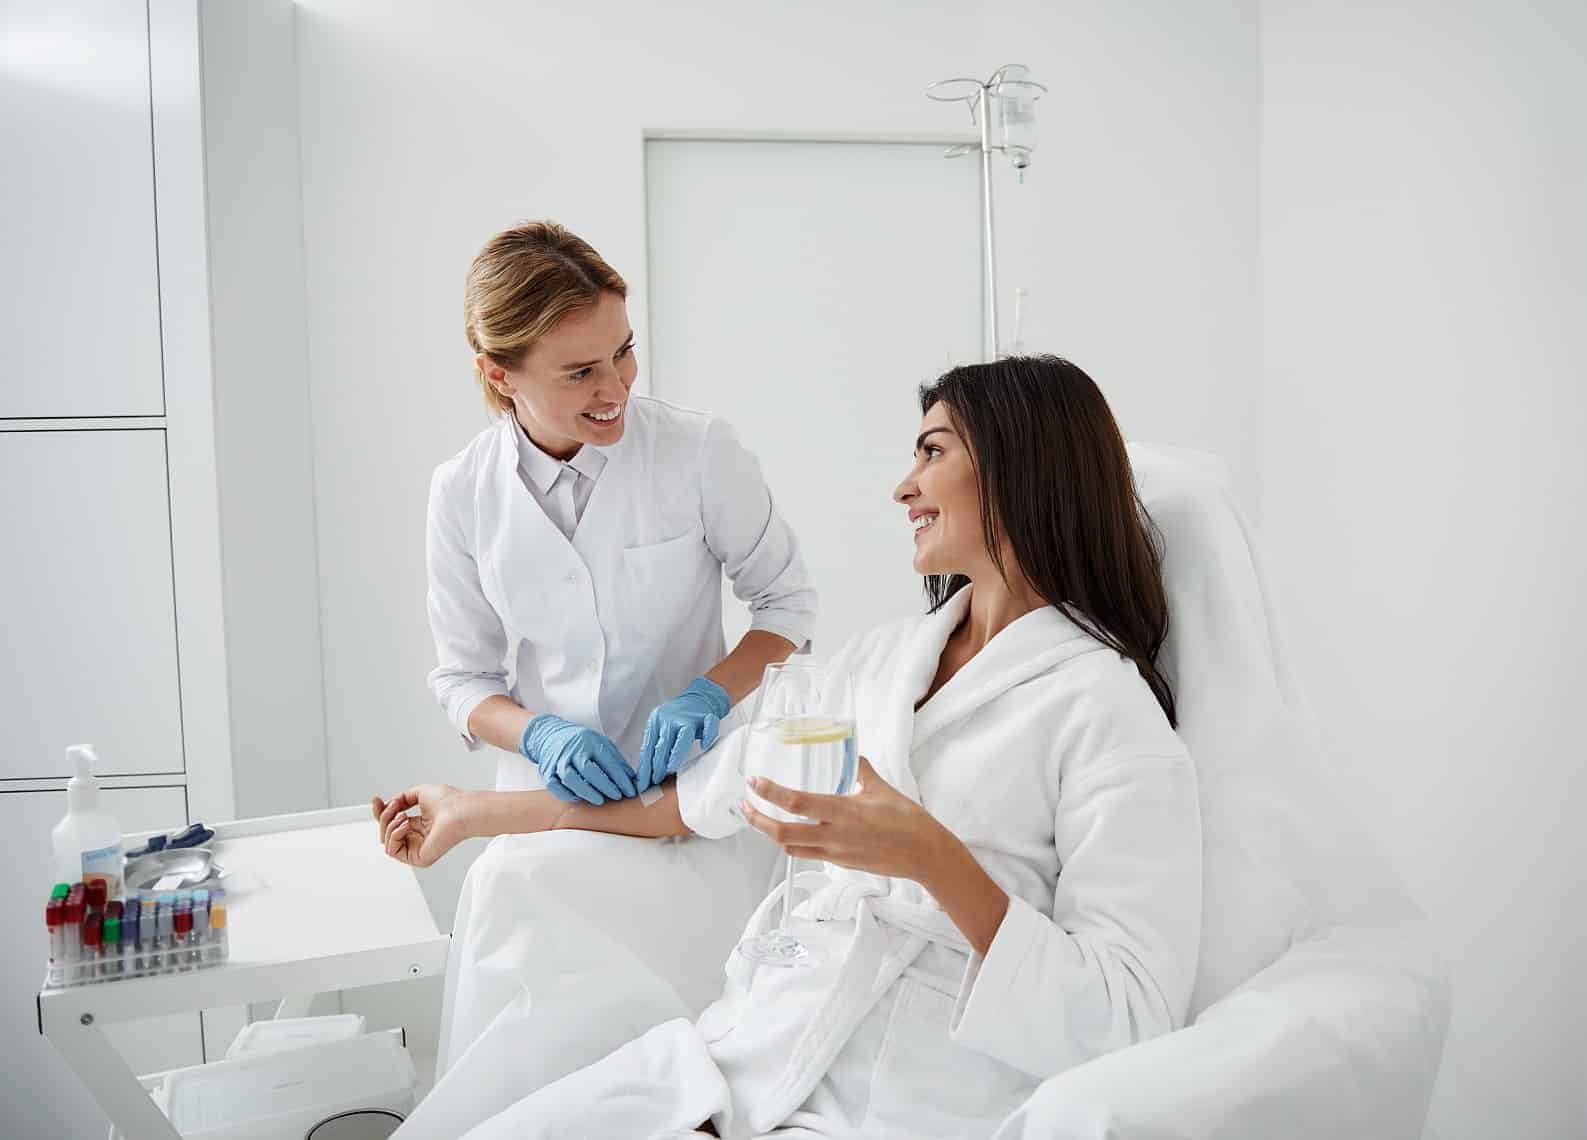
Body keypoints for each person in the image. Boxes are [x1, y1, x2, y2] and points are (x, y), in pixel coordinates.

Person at [377, 355, 1201, 1138]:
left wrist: (931, 858)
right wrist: (474, 811)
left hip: (904, 1095)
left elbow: (1129, 1016)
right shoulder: (880, 665)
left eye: (932, 452)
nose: (902, 486)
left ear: (1021, 468)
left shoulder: (1105, 710)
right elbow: (685, 804)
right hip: (744, 1053)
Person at [426, 221, 816, 801]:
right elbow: (464, 679)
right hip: (546, 800)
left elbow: (786, 604)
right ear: (499, 374)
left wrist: (708, 696)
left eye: (623, 352)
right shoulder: (462, 491)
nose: (616, 388)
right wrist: (540, 736)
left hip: (696, 790)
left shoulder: (699, 451)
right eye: (581, 373)